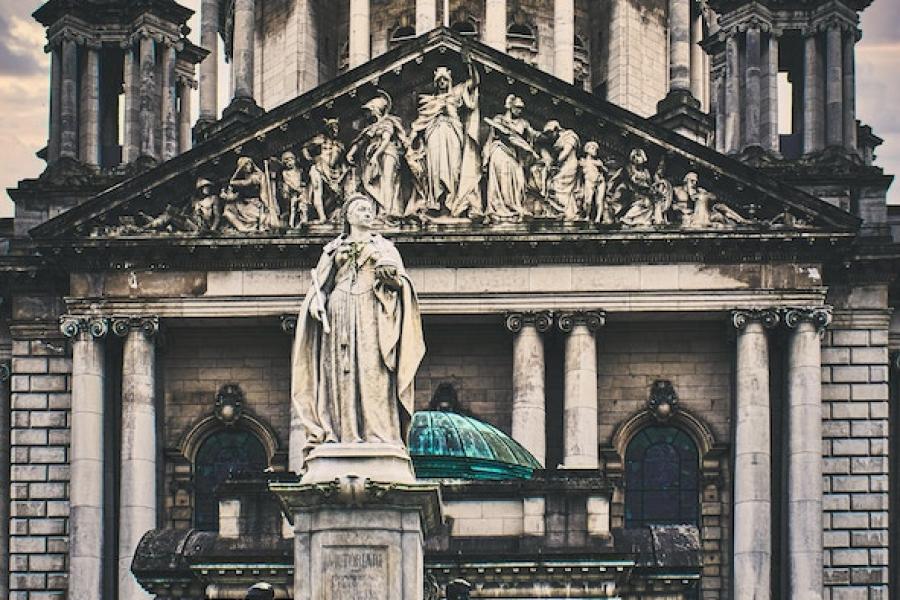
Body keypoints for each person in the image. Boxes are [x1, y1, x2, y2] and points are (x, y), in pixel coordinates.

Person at [291, 194, 425, 458]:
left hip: (373, 311)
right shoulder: (333, 248)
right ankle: (340, 433)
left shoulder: (386, 248)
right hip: (339, 309)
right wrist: (317, 304)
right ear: (348, 217)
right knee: (340, 372)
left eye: (369, 210)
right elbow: (320, 286)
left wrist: (393, 280)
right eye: (361, 209)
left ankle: (380, 434)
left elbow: (401, 284)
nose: (367, 213)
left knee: (373, 371)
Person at [408, 58, 482, 217]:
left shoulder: (457, 92)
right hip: (434, 132)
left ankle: (453, 200)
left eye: (445, 79)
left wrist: (470, 64)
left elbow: (474, 82)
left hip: (452, 132)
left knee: (454, 167)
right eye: (439, 80)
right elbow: (420, 122)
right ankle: (435, 201)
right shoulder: (429, 101)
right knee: (434, 167)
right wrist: (411, 138)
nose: (442, 82)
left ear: (450, 81)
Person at [347, 91, 408, 220]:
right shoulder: (370, 127)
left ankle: (387, 210)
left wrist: (376, 155)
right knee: (367, 182)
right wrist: (350, 153)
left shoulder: (388, 122)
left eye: (370, 110)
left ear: (377, 110)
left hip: (387, 153)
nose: (367, 114)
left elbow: (386, 140)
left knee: (387, 180)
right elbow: (361, 140)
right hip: (371, 156)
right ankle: (377, 209)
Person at [483, 95, 541, 220]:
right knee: (503, 179)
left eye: (521, 108)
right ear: (510, 106)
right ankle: (500, 208)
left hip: (515, 155)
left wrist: (551, 132)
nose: (520, 110)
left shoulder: (523, 123)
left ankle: (514, 206)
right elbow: (503, 136)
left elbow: (535, 135)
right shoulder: (499, 119)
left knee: (519, 181)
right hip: (500, 152)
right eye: (517, 107)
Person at [301, 118, 346, 222]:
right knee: (317, 191)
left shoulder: (339, 144)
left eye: (336, 128)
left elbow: (341, 159)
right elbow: (305, 147)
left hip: (334, 171)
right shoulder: (320, 139)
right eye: (332, 128)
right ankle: (322, 217)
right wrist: (310, 159)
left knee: (335, 194)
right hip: (319, 167)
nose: (335, 130)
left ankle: (334, 215)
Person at [222, 157, 280, 231]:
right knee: (228, 209)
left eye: (249, 164)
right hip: (244, 203)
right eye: (245, 165)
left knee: (249, 213)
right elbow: (238, 194)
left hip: (255, 204)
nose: (247, 167)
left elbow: (246, 183)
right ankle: (242, 228)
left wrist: (232, 181)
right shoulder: (243, 176)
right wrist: (228, 196)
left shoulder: (257, 176)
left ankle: (248, 227)